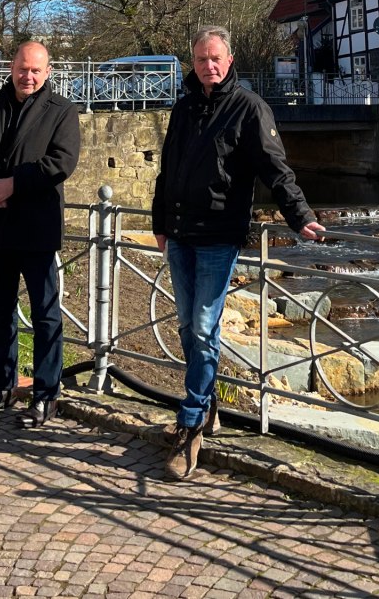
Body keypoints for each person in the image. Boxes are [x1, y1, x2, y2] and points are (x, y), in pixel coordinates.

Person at [152, 25, 325, 481]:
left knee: (206, 326)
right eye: (201, 59)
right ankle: (207, 404)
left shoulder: (249, 107)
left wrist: (299, 214)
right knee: (188, 325)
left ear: (228, 63)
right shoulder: (185, 107)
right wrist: (159, 223)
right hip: (181, 233)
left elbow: (274, 167)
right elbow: (167, 168)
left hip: (219, 234)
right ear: (194, 62)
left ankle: (191, 425)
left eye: (216, 59)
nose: (208, 66)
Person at [0, 41, 81, 428]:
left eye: (36, 71)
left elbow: (61, 162)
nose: (28, 77)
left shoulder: (61, 111)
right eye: (22, 69)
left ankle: (46, 393)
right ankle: (2, 384)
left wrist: (14, 184)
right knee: (1, 312)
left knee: (45, 314)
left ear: (47, 73)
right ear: (11, 68)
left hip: (37, 226)